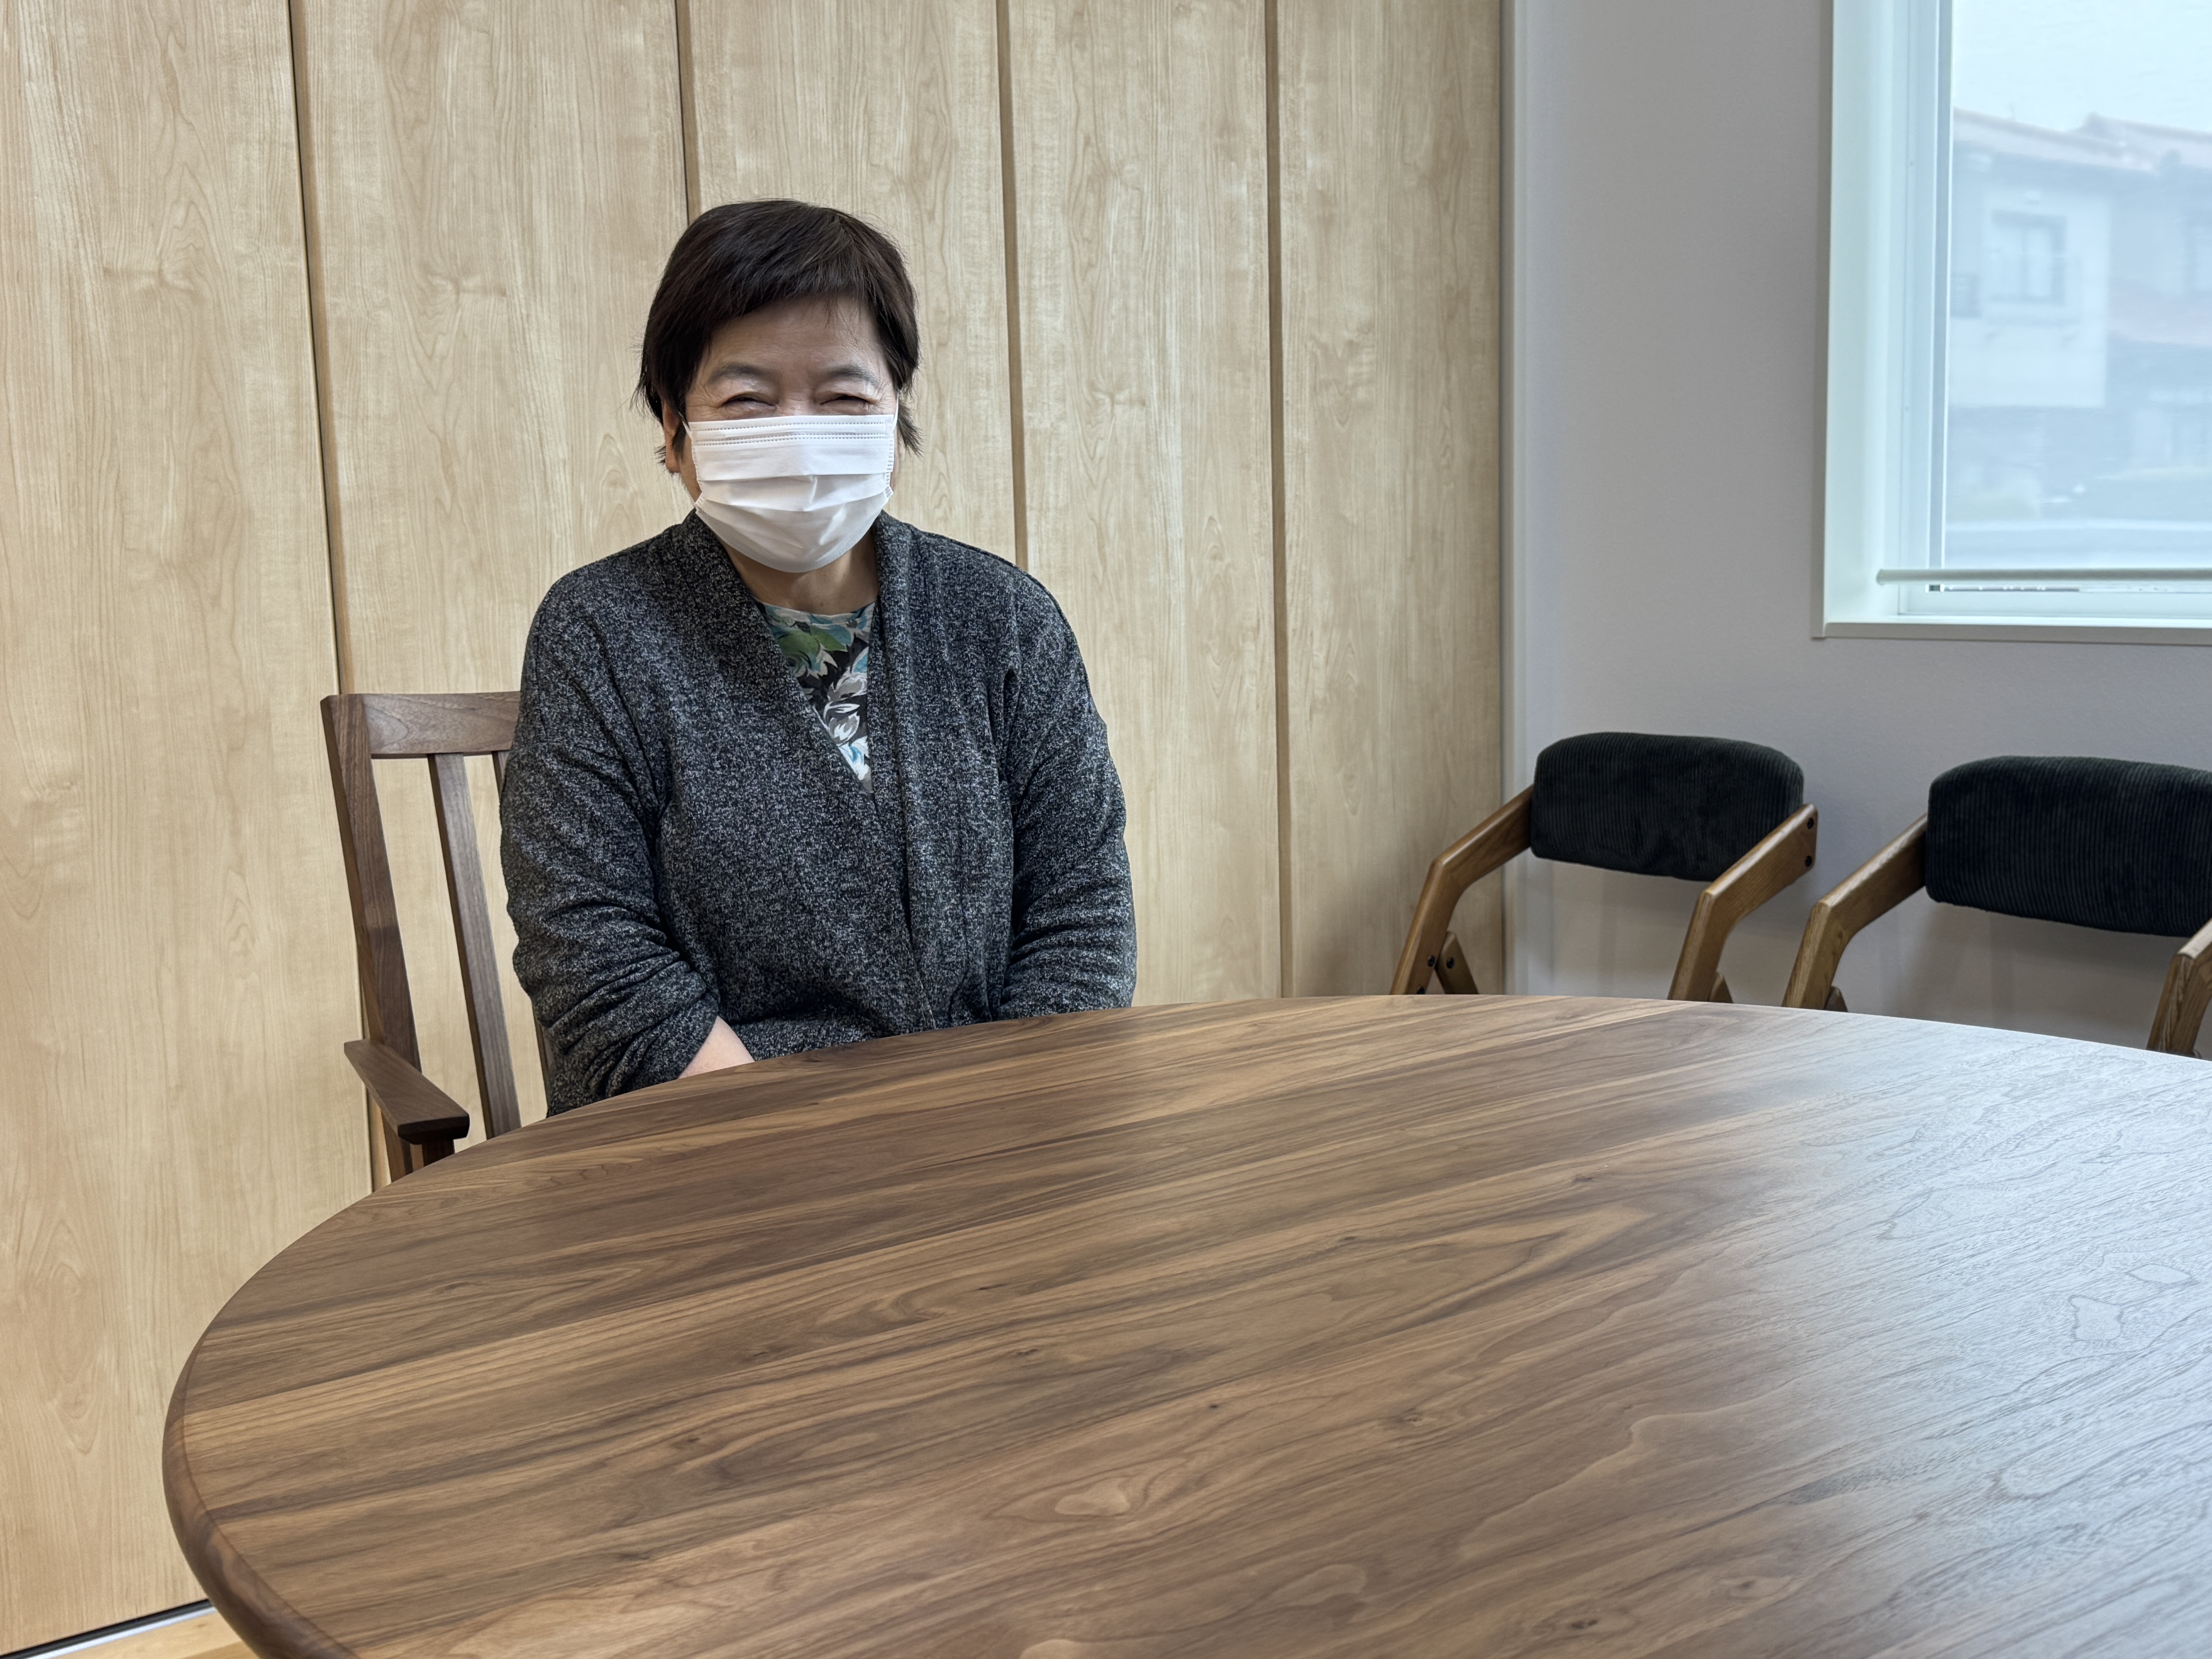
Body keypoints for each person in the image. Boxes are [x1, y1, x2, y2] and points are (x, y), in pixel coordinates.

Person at [500, 199, 1136, 1113]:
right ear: (676, 430)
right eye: (747, 401)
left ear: (894, 421)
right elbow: (589, 945)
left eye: (842, 398)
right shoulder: (599, 632)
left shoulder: (1003, 620)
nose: (799, 434)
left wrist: (1007, 1114)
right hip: (721, 1141)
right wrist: (793, 1141)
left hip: (993, 1122)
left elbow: (1082, 907)